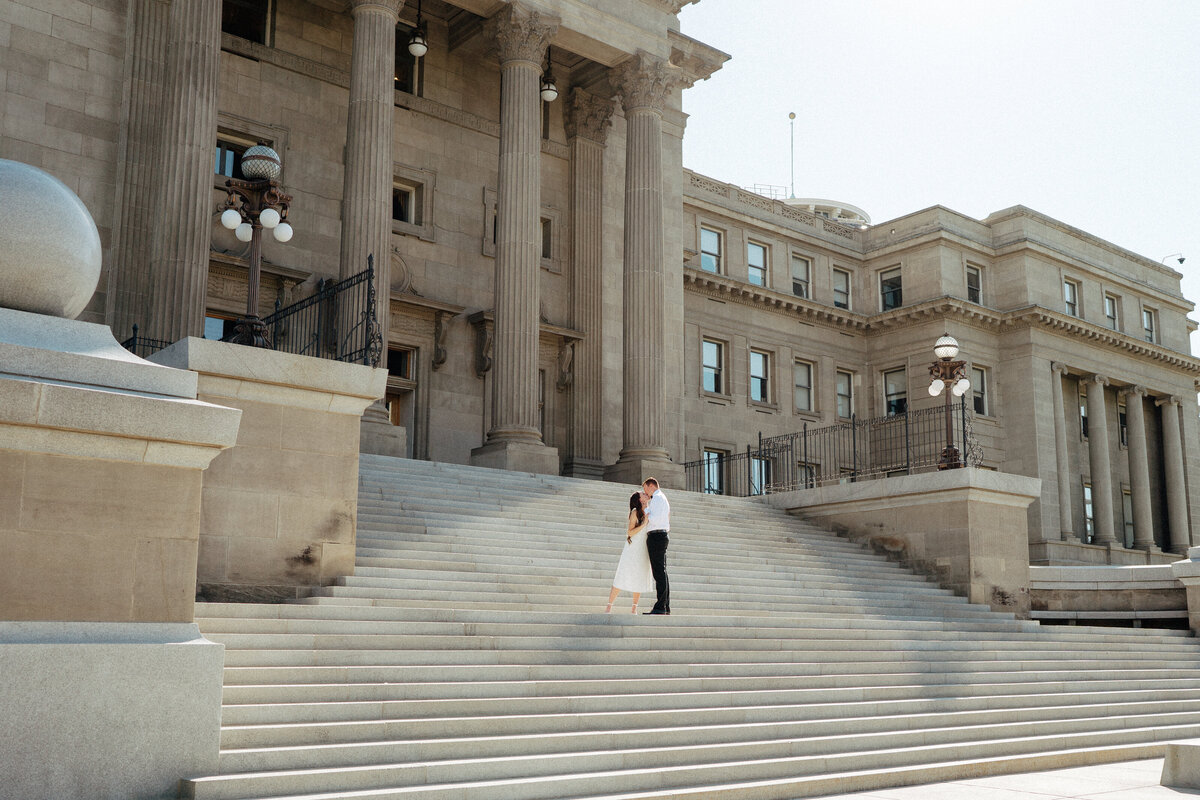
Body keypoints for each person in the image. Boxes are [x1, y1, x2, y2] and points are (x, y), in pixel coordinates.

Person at [606, 491, 655, 613]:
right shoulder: (635, 512)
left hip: (644, 547)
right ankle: (609, 605)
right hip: (633, 547)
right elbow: (630, 532)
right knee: (623, 574)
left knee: (639, 575)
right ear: (640, 499)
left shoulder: (651, 509)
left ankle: (634, 608)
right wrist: (643, 524)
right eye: (643, 494)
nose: (646, 494)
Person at [641, 477, 671, 615]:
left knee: (659, 573)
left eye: (646, 489)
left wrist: (645, 508)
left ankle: (660, 606)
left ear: (651, 486)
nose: (645, 493)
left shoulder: (658, 498)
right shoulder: (661, 498)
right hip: (661, 535)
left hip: (657, 536)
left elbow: (653, 519)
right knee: (662, 572)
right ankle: (665, 606)